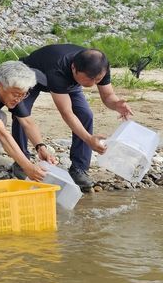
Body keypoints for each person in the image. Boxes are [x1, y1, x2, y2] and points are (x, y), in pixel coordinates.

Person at [12, 44, 133, 189]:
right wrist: (89, 139)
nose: (93, 84)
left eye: (97, 80)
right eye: (88, 80)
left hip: (68, 80)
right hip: (31, 73)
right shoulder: (59, 68)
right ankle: (22, 161)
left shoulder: (100, 66)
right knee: (21, 112)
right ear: (74, 68)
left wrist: (116, 104)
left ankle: (79, 169)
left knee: (85, 114)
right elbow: (67, 113)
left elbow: (108, 95)